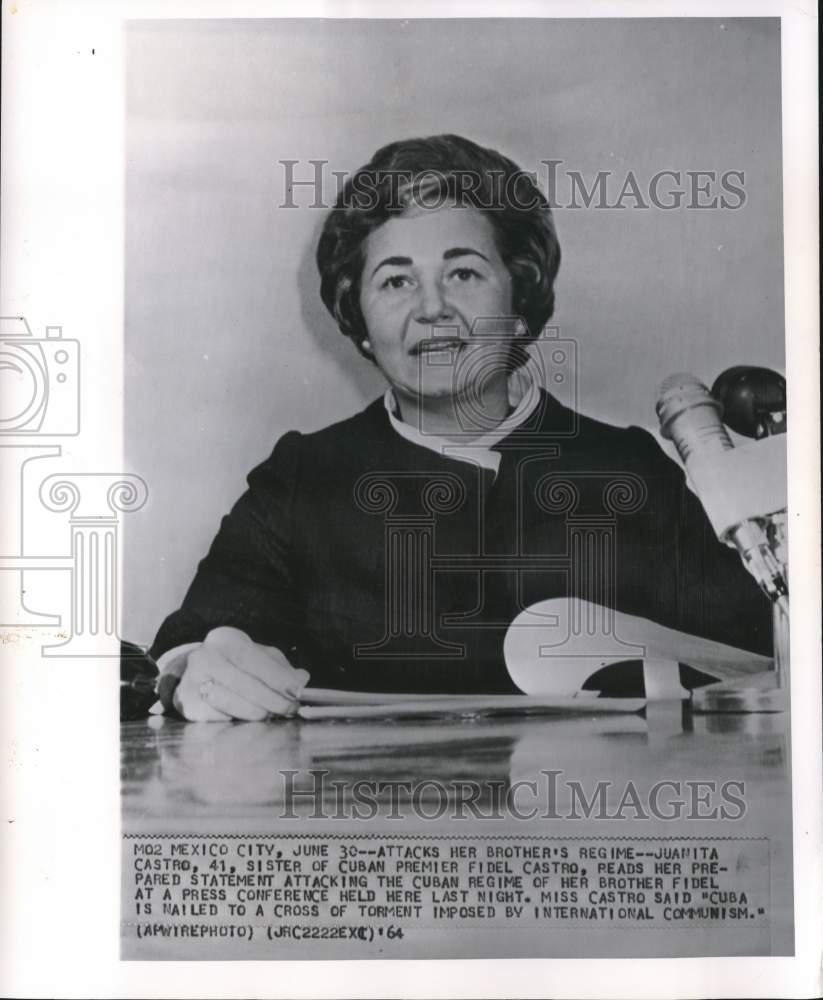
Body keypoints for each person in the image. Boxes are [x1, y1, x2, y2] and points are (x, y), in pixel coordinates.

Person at [149, 134, 772, 722]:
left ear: (519, 302)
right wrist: (198, 669)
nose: (432, 308)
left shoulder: (630, 469)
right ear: (361, 321)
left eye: (464, 273)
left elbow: (758, 659)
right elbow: (185, 646)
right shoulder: (302, 478)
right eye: (396, 280)